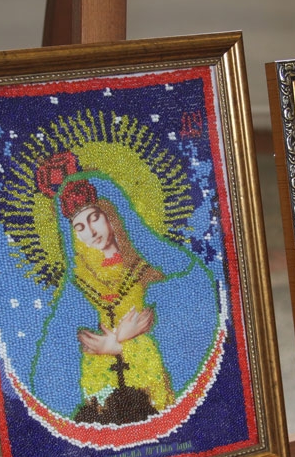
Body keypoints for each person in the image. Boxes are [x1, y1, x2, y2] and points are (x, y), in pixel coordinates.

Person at [28, 168, 219, 425]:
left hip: (151, 391)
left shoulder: (148, 269)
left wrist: (120, 345)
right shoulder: (77, 287)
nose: (91, 231)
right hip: (100, 401)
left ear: (111, 214)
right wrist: (116, 341)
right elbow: (52, 356)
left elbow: (194, 314)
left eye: (95, 218)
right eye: (79, 227)